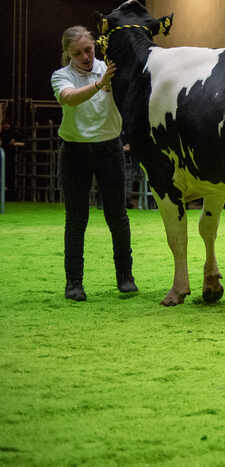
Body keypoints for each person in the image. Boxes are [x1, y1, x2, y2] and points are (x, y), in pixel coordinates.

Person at [51, 25, 136, 301]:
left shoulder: (110, 68)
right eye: (77, 53)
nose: (85, 56)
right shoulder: (61, 76)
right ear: (67, 53)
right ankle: (73, 283)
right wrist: (100, 85)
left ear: (94, 46)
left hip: (110, 149)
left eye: (88, 50)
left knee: (118, 218)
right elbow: (69, 99)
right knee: (76, 221)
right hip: (74, 152)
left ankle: (125, 277)